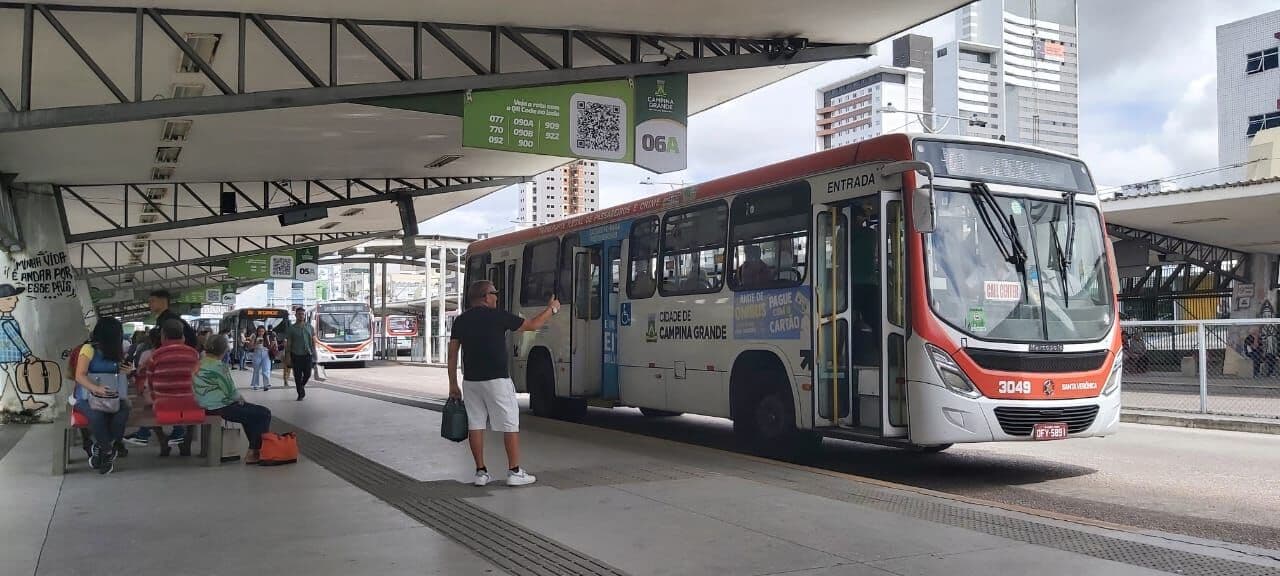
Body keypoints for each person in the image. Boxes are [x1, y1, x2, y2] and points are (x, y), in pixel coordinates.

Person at [448, 280, 559, 487]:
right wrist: (551, 309)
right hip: (497, 380)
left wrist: (453, 384)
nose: (496, 297)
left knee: (476, 424)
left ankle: (481, 473)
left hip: (471, 381)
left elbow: (452, 354)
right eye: (494, 293)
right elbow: (532, 325)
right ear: (484, 297)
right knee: (509, 423)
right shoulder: (497, 316)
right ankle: (514, 472)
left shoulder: (461, 321)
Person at [193, 335, 273, 465]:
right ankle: (254, 452)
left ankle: (255, 451)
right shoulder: (219, 366)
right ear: (224, 350)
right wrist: (242, 400)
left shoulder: (200, 362)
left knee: (250, 414)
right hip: (219, 407)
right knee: (264, 413)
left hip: (204, 404)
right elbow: (231, 391)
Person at [73, 317, 135, 475]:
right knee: (98, 416)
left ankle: (100, 447)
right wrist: (96, 388)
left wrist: (126, 373)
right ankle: (107, 451)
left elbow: (118, 376)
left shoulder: (116, 351)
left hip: (111, 397)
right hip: (86, 396)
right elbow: (79, 375)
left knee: (122, 412)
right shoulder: (88, 349)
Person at [123, 328, 187, 449]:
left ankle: (145, 434)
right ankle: (175, 433)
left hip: (160, 396)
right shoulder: (186, 353)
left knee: (150, 404)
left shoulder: (151, 354)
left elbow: (142, 372)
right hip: (183, 396)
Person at [284, 306, 316, 401]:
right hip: (296, 354)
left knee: (308, 374)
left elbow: (313, 340)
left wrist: (315, 353)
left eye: (302, 314)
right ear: (296, 315)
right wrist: (288, 356)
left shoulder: (310, 327)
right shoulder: (291, 328)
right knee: (297, 375)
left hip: (307, 354)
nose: (301, 316)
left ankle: (301, 386)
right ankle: (300, 393)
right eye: (299, 314)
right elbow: (289, 343)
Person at [248, 326, 272, 391]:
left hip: (266, 353)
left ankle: (266, 385)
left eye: (262, 331)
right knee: (256, 370)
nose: (261, 333)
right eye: (259, 331)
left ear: (264, 332)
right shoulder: (254, 337)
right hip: (257, 353)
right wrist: (256, 343)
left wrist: (272, 344)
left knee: (266, 369)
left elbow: (270, 346)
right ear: (257, 331)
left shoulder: (267, 337)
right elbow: (250, 347)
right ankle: (256, 385)